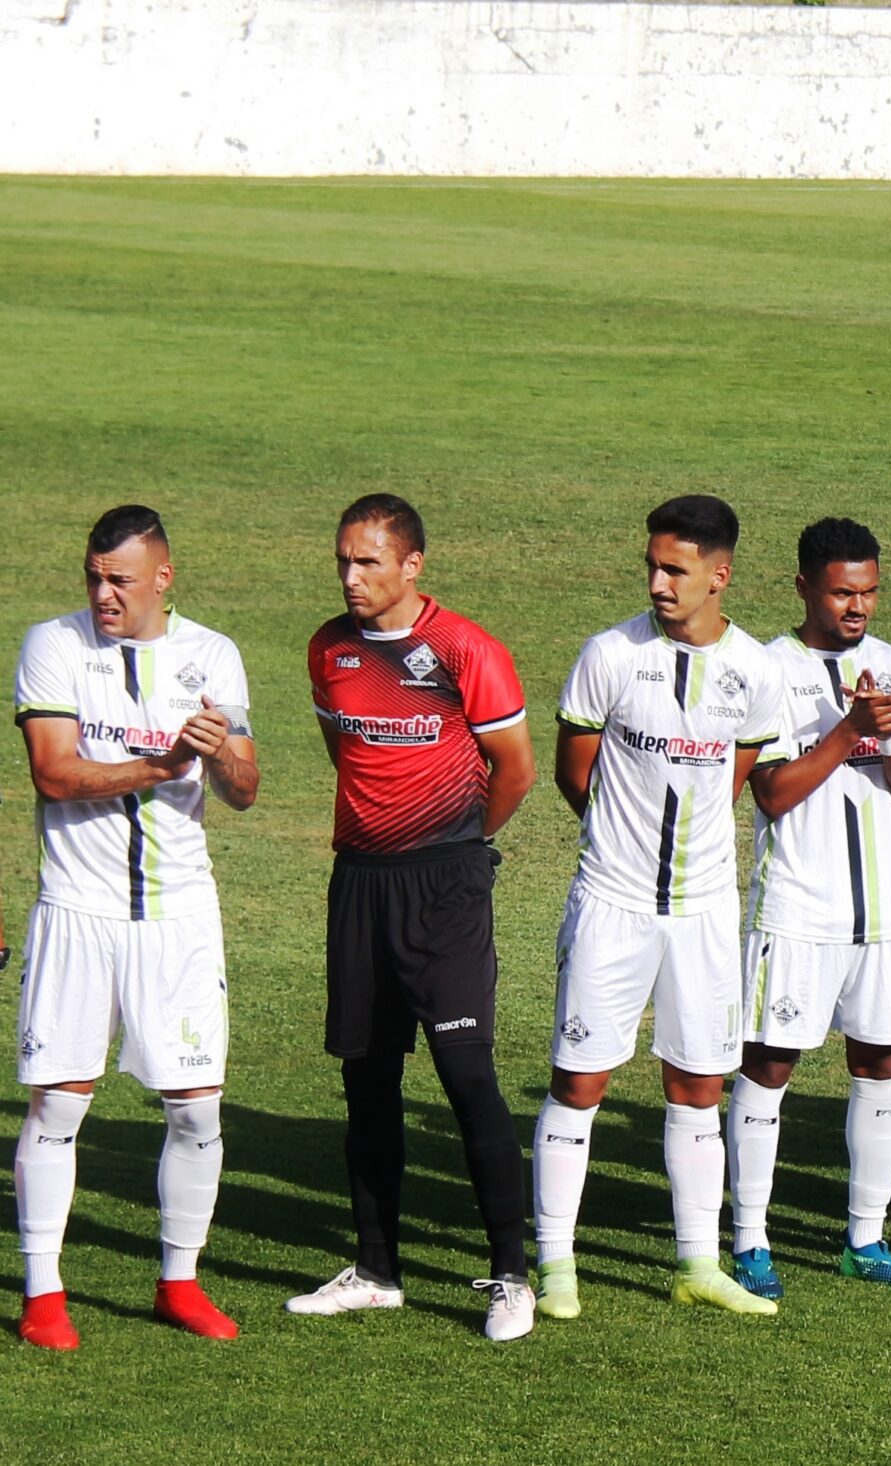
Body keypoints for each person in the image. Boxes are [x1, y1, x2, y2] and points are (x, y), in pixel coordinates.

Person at [290, 495, 540, 1340]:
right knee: (367, 1081)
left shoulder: (466, 650)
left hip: (445, 888)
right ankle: (376, 1271)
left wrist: (458, 841)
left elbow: (514, 769)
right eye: (343, 560)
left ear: (411, 564)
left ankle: (512, 1277)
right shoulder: (330, 647)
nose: (350, 576)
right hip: (361, 883)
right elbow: (347, 752)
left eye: (367, 561)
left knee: (467, 1076)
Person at [530, 495, 784, 1319]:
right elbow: (575, 772)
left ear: (720, 575)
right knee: (580, 1079)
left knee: (700, 1083)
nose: (657, 583)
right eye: (652, 566)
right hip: (611, 900)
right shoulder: (610, 654)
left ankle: (697, 1265)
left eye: (675, 569)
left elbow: (736, 778)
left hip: (705, 910)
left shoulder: (756, 672)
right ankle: (556, 1266)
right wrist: (620, 845)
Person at [13, 505, 260, 1350]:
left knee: (196, 1113)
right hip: (77, 912)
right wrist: (163, 764)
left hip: (179, 920)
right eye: (94, 577)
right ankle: (44, 1295)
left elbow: (244, 790)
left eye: (119, 579)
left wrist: (220, 752)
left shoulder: (213, 654)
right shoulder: (53, 644)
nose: (103, 594)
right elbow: (54, 774)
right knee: (58, 1104)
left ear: (163, 578)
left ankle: (179, 1283)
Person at [725, 518, 891, 1297]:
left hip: (880, 910)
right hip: (796, 908)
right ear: (804, 587)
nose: (859, 607)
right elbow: (772, 793)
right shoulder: (766, 670)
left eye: (869, 592)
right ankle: (750, 1243)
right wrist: (850, 729)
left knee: (881, 1062)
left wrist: (886, 736)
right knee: (770, 1065)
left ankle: (866, 1240)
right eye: (844, 592)